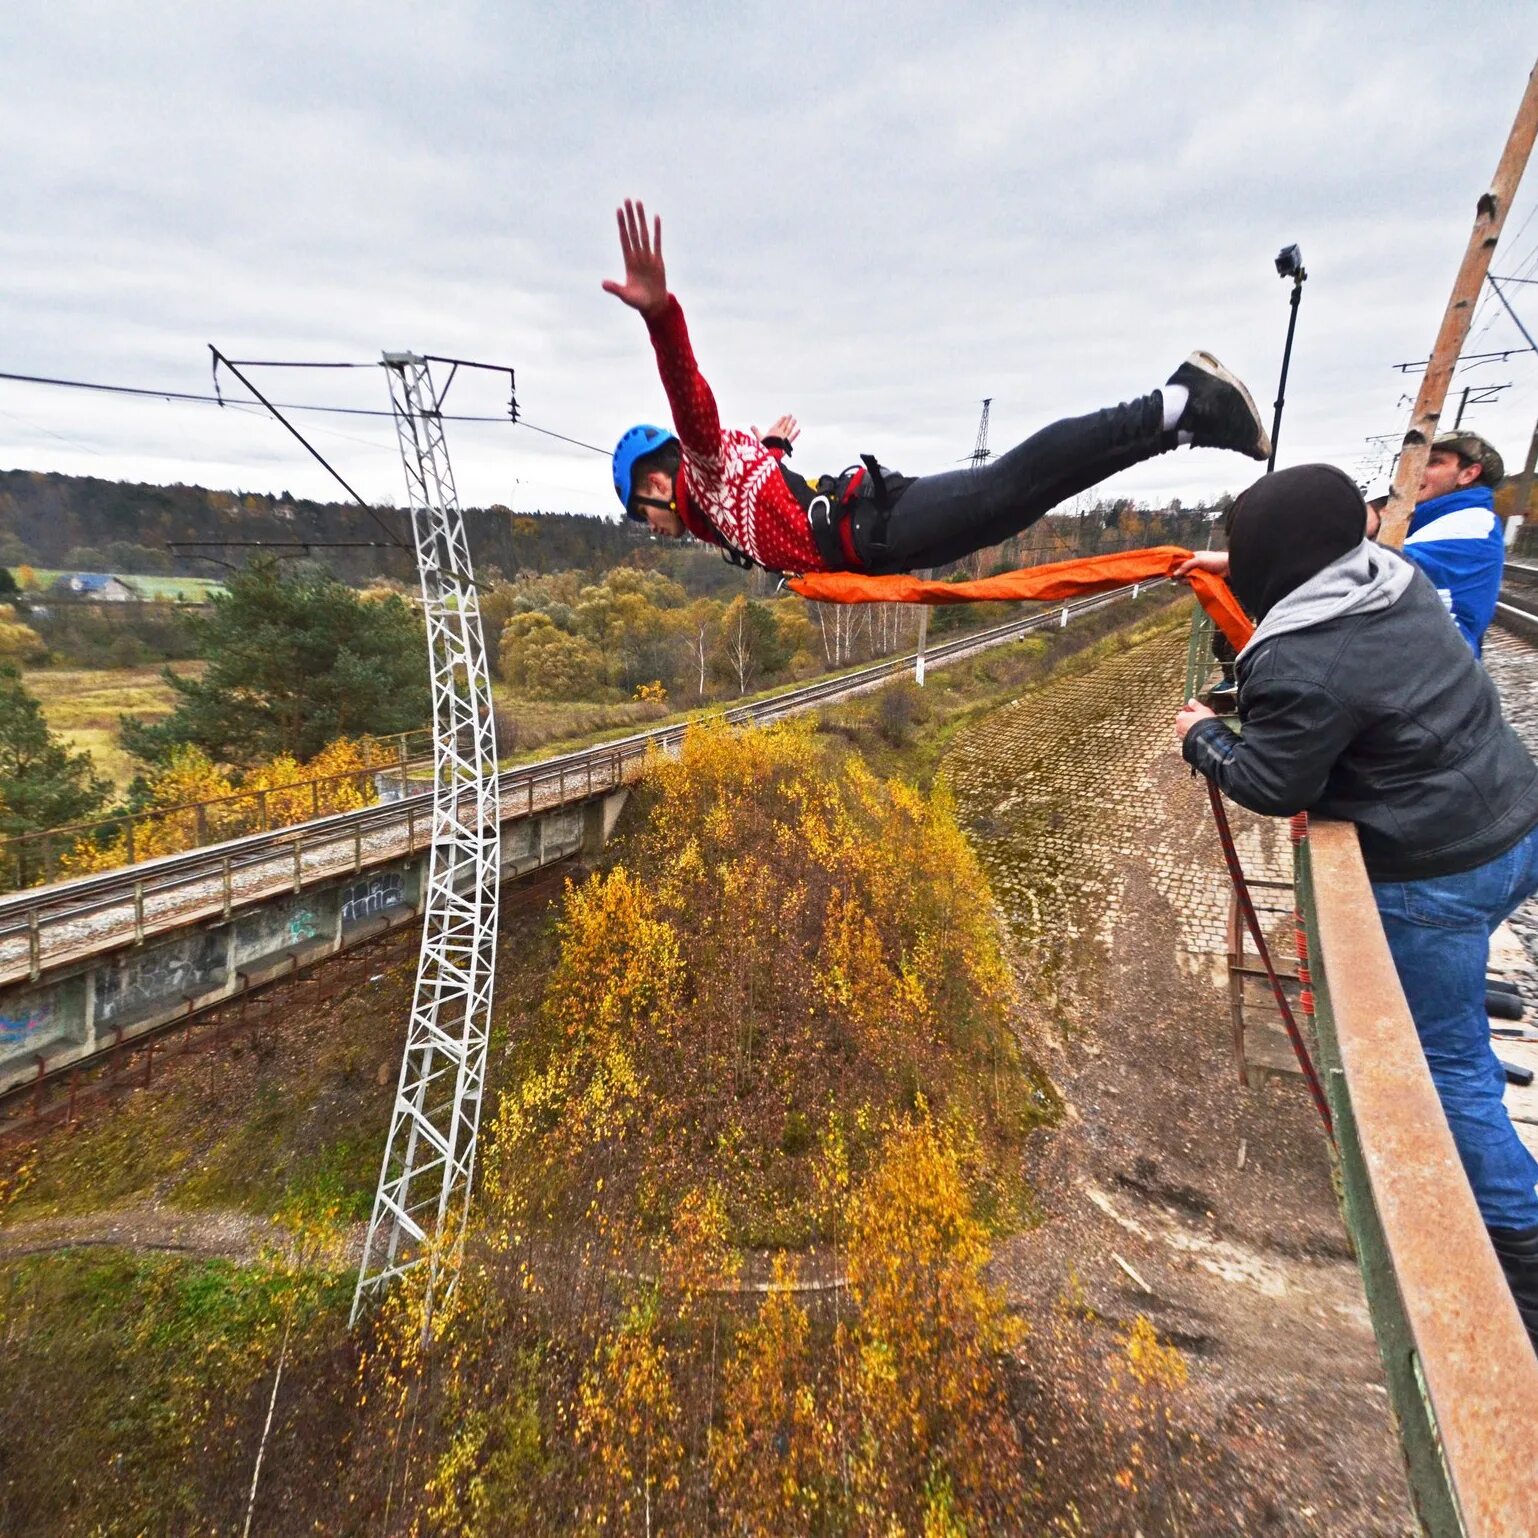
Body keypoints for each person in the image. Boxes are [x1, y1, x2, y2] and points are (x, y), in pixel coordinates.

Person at [1174, 463, 1538, 1350]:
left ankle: (1518, 1257)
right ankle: (1467, 1006)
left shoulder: (1301, 657)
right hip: (1513, 827)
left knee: (1445, 1069)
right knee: (1455, 1023)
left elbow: (1272, 777)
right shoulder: (1390, 580)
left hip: (1432, 873)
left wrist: (1202, 736)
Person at [604, 199, 1272, 576]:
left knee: (1011, 486)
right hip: (872, 529)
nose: (654, 531)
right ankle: (1181, 424)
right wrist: (774, 450)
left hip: (876, 529)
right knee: (1017, 501)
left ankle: (1177, 404)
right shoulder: (715, 504)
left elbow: (691, 401)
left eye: (644, 516)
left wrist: (664, 317)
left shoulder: (703, 474)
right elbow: (764, 494)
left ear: (653, 484)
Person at [1177, 428, 1506, 656]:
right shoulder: (1434, 520)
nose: (1418, 473)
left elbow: (1362, 568)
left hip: (1422, 688)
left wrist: (1241, 562)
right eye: (1418, 462)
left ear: (1468, 473)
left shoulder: (1470, 523)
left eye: (1434, 463)